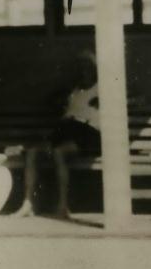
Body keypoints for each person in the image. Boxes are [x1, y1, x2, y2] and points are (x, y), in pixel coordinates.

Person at [13, 50, 100, 219]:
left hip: (90, 136)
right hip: (68, 132)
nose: (83, 71)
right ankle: (27, 204)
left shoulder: (102, 89)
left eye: (87, 68)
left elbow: (137, 99)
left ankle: (62, 206)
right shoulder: (74, 91)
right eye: (80, 68)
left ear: (94, 70)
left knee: (59, 151)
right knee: (32, 152)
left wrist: (105, 101)